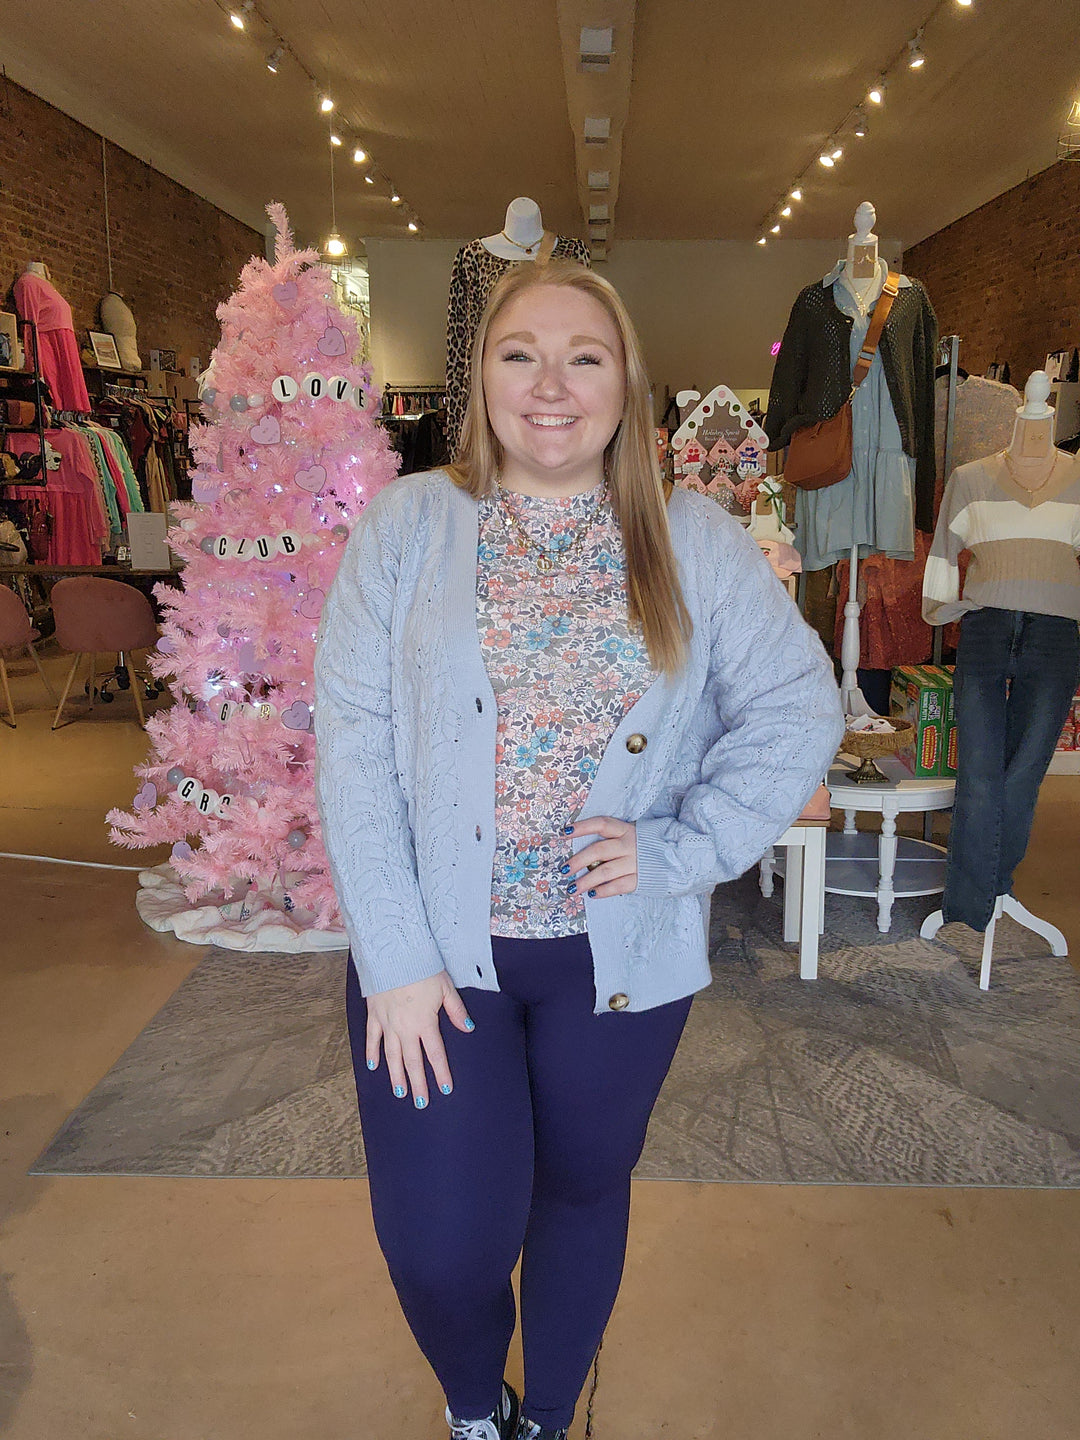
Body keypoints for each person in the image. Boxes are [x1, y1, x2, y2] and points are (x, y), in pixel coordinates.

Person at [314, 260, 843, 1440]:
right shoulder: (408, 526)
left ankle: (546, 1416)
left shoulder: (692, 538)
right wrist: (393, 956)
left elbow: (797, 707)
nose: (550, 385)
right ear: (481, 380)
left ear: (626, 385)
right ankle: (475, 1405)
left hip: (617, 964)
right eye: (521, 355)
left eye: (584, 358)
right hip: (434, 960)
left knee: (580, 1191)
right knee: (442, 1245)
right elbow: (350, 741)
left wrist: (684, 848)